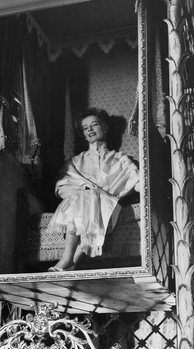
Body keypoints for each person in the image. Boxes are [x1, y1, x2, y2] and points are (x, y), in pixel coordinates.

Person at [47, 107, 140, 271]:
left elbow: (137, 181)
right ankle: (70, 264)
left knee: (89, 199)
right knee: (83, 198)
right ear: (83, 134)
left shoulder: (120, 159)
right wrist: (84, 191)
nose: (89, 129)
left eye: (94, 124)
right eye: (85, 128)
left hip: (108, 207)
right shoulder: (75, 162)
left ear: (105, 127)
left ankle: (67, 259)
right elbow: (62, 186)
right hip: (78, 205)